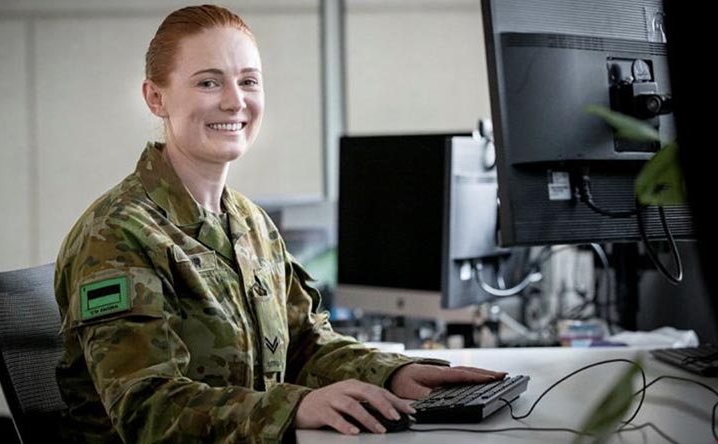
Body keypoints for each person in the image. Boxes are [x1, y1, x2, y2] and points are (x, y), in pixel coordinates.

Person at [54, 5, 506, 443]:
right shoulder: (118, 234)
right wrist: (295, 408)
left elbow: (305, 344)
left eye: (248, 81)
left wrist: (394, 373)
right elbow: (146, 411)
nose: (235, 101)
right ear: (156, 97)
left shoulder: (251, 224)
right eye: (209, 82)